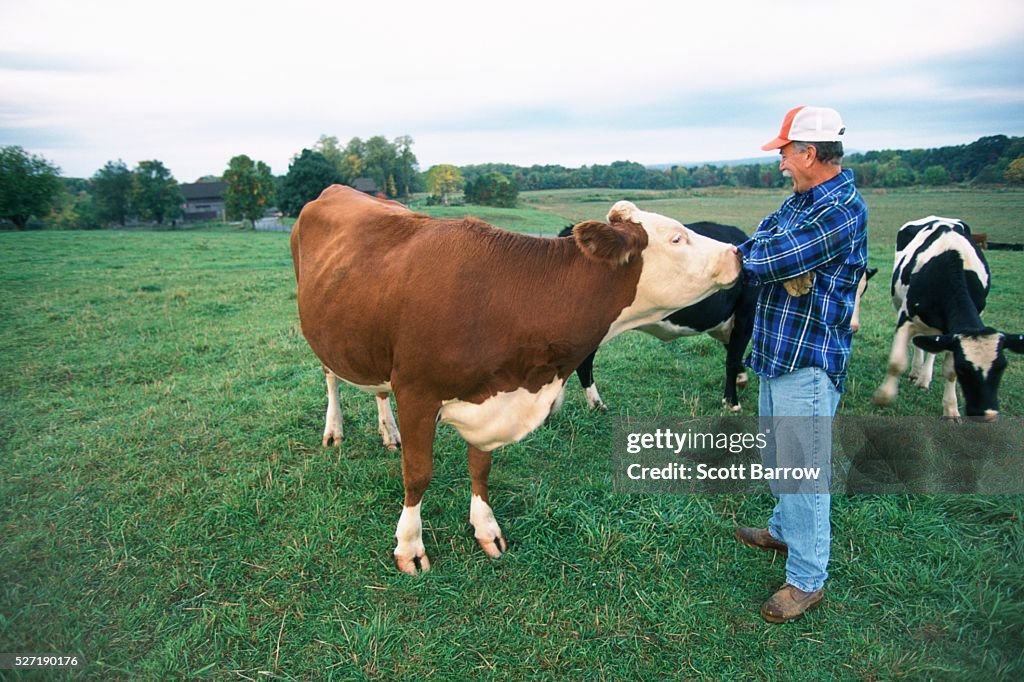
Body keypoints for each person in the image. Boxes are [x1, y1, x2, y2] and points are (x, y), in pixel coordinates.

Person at [734, 105, 868, 623]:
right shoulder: (800, 202)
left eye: (786, 154)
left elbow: (762, 260)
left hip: (807, 359)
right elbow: (760, 240)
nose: (781, 163)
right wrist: (776, 260)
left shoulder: (840, 210)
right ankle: (784, 531)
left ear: (809, 153)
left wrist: (777, 262)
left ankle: (808, 580)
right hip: (777, 351)